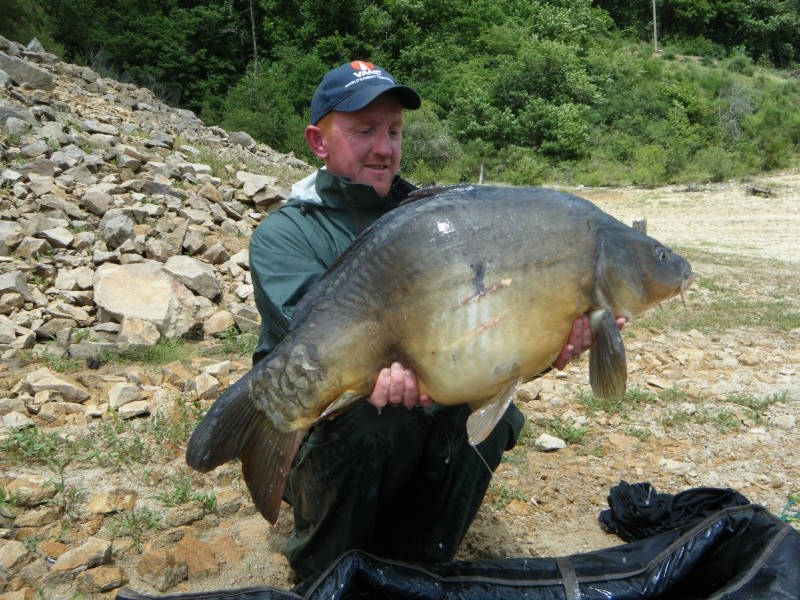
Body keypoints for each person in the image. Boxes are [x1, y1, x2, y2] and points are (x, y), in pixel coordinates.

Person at [248, 60, 621, 579]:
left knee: (492, 421)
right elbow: (314, 348)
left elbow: (479, 343)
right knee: (371, 419)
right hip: (326, 425)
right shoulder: (285, 235)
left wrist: (548, 344)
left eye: (394, 131)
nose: (384, 147)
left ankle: (420, 566)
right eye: (364, 131)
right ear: (318, 141)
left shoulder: (434, 220)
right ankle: (328, 569)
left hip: (423, 411)